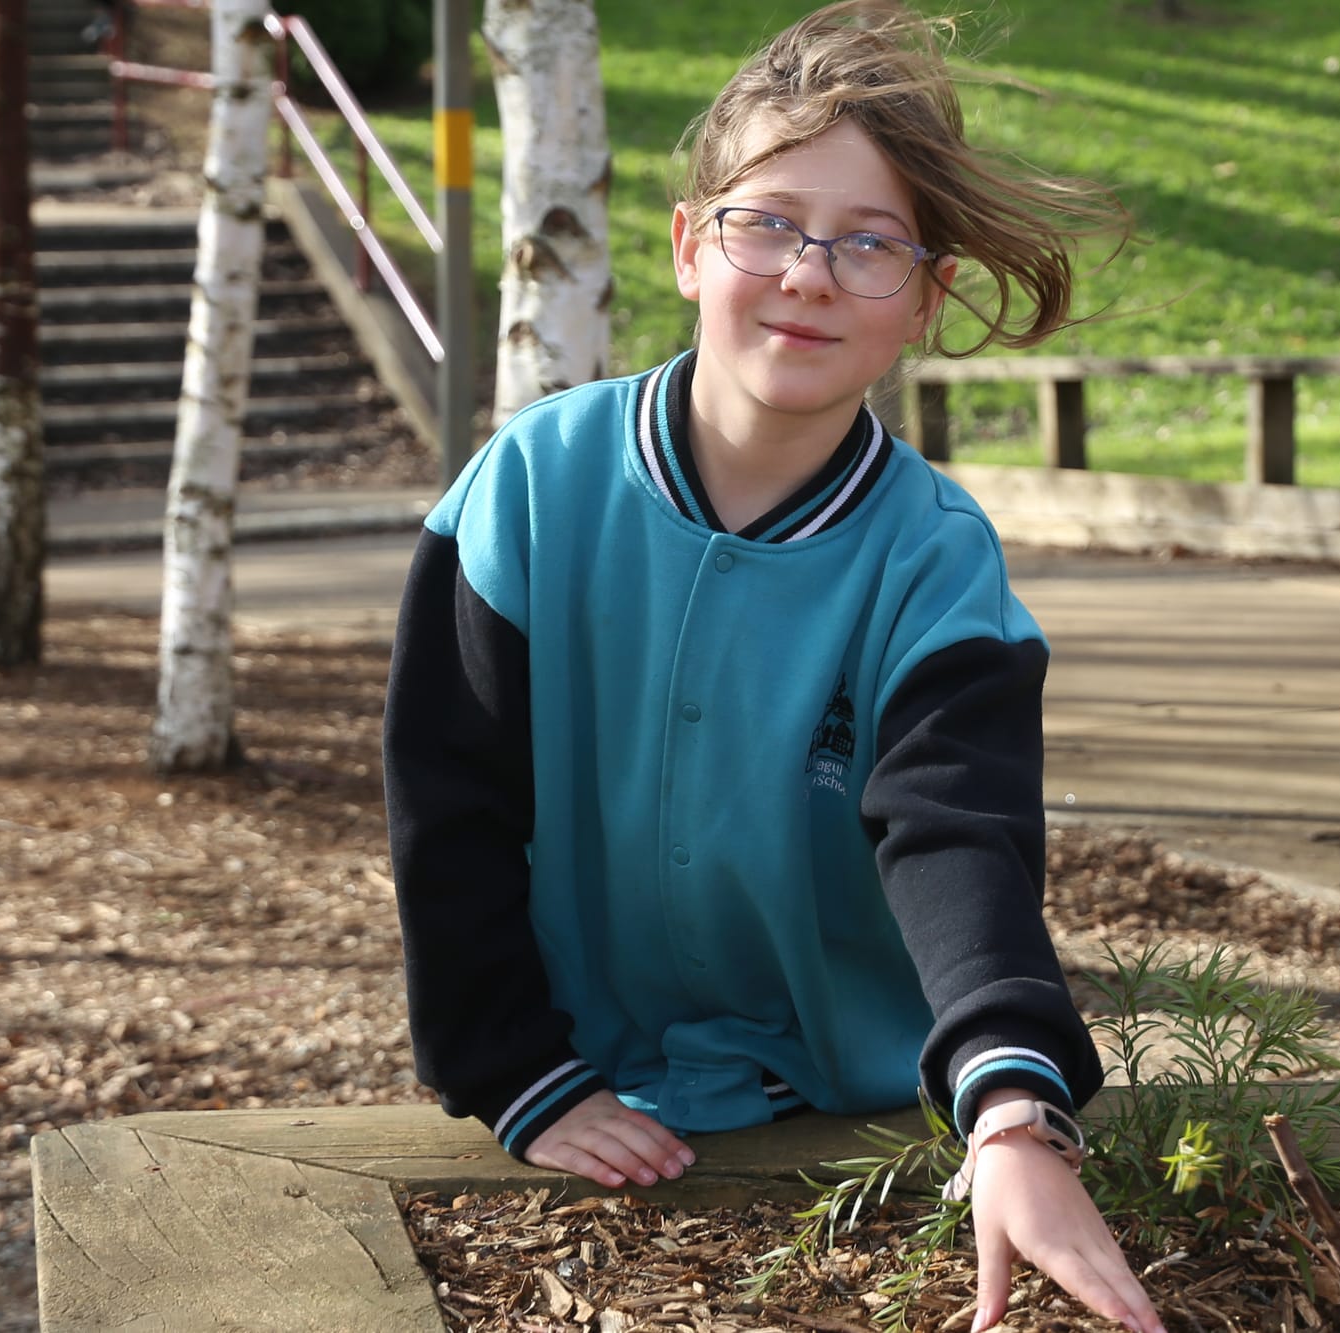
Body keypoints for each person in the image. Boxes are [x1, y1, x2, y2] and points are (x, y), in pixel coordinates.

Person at [382, 4, 1163, 1329]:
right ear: (692, 248)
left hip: (854, 1103)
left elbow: (957, 834)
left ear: (923, 300)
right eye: (770, 224)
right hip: (582, 1086)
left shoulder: (936, 560)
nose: (810, 274)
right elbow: (448, 806)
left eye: (870, 243)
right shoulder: (528, 490)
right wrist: (516, 1073)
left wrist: (1011, 1114)